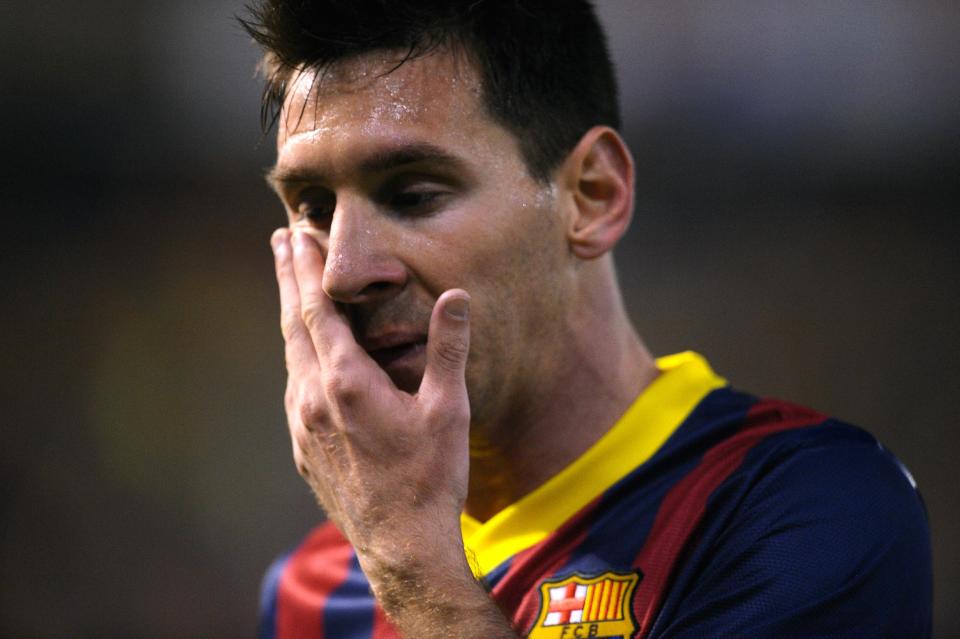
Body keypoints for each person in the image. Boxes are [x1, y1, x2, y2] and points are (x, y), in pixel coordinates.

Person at [242, 1, 932, 637]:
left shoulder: (802, 514)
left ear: (592, 196)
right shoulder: (312, 587)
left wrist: (417, 580)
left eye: (413, 194)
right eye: (313, 208)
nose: (344, 271)